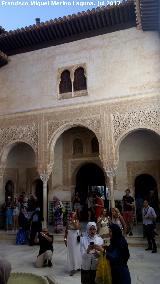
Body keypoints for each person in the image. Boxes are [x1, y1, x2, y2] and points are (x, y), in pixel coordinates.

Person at [64, 211, 81, 276]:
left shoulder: (77, 221)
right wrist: (65, 239)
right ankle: (72, 267)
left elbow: (77, 227)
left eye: (73, 214)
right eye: (71, 214)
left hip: (75, 238)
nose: (72, 214)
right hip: (69, 238)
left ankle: (77, 267)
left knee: (76, 252)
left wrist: (73, 221)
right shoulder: (68, 222)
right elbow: (66, 231)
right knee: (71, 253)